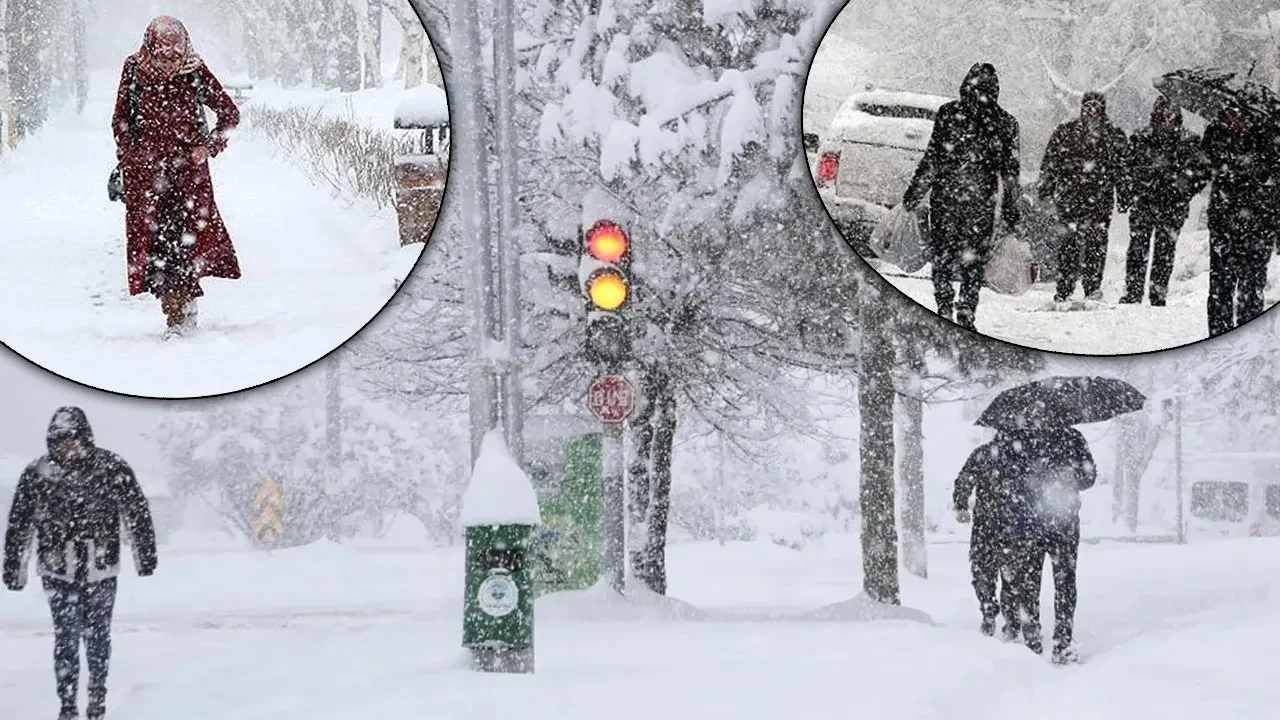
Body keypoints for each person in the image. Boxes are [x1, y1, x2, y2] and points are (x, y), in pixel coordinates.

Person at [3, 407, 158, 720]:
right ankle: (68, 703)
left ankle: (97, 693)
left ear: (85, 438)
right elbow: (20, 524)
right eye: (61, 441)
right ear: (52, 442)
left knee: (99, 634)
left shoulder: (111, 468)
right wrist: (13, 568)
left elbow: (137, 512)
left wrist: (145, 555)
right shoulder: (38, 474)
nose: (68, 447)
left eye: (73, 440)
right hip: (57, 570)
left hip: (101, 568)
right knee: (66, 636)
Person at [112, 15, 242, 338]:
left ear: (183, 51)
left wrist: (208, 147)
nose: (169, 64)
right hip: (147, 180)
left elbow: (229, 114)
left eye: (174, 57)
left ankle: (182, 313)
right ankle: (175, 312)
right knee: (157, 249)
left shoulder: (194, 71)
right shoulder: (133, 70)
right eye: (161, 56)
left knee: (187, 245)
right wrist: (132, 156)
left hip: (189, 179)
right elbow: (120, 121)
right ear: (150, 50)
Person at [903, 62, 1022, 331]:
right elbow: (1010, 174)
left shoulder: (949, 114)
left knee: (943, 256)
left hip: (947, 198)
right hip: (981, 202)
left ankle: (944, 306)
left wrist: (915, 192)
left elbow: (932, 158)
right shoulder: (1005, 123)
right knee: (973, 261)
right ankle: (967, 311)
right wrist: (1012, 214)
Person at [999, 426, 1097, 665]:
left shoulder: (1072, 438)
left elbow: (1090, 476)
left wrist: (1072, 476)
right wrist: (1032, 478)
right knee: (1028, 584)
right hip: (1029, 523)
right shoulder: (1018, 439)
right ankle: (1031, 640)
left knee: (1065, 584)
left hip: (1063, 524)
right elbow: (1004, 476)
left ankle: (1063, 642)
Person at [1038, 91, 1130, 306]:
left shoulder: (1113, 136)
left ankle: (1092, 288)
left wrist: (1124, 194)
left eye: (1096, 106)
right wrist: (1046, 189)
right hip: (1070, 197)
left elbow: (1122, 169)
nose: (1091, 111)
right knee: (1068, 244)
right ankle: (1064, 289)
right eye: (1088, 106)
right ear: (1081, 108)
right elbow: (1051, 162)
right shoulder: (1066, 132)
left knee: (1096, 245)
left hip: (1099, 198)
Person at [1199, 103, 1280, 337]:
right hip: (1224, 224)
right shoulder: (1217, 132)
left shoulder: (1269, 137)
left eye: (1242, 114)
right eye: (1232, 113)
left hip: (1260, 224)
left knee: (1252, 288)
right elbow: (1202, 167)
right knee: (1220, 288)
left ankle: (1246, 340)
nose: (1237, 119)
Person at [1120, 96, 1204, 306]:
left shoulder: (1189, 142)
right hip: (1144, 202)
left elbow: (1201, 173)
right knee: (1138, 249)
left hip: (1172, 205)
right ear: (1155, 116)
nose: (1165, 120)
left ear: (1177, 118)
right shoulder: (1140, 139)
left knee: (1164, 252)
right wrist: (1130, 191)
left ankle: (1157, 294)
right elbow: (1126, 168)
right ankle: (1133, 292)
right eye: (1161, 115)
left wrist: (1185, 190)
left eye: (1169, 116)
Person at [953, 439, 1019, 640]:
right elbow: (965, 478)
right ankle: (1007, 618)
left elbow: (964, 478)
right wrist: (962, 504)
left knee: (985, 571)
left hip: (990, 524)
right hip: (1010, 525)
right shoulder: (1020, 454)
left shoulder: (985, 453)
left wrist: (962, 504)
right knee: (1010, 575)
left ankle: (991, 610)